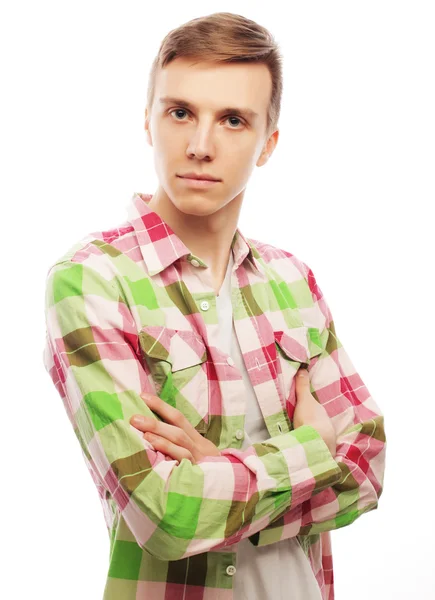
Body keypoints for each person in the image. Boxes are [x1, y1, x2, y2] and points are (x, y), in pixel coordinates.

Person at [43, 11, 386, 600]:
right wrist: (309, 450)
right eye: (180, 112)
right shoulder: (92, 281)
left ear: (268, 144)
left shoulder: (292, 280)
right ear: (148, 121)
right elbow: (164, 515)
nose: (200, 145)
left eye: (232, 120)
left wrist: (217, 470)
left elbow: (369, 470)